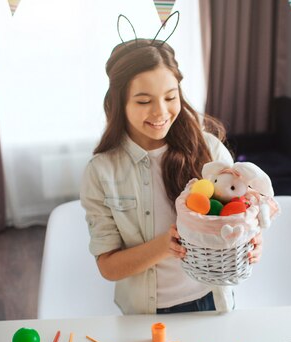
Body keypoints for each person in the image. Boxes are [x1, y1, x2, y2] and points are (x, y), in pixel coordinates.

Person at [80, 38, 262, 315]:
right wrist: (165, 245)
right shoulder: (101, 171)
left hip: (213, 301)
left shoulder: (210, 150)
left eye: (170, 97)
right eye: (143, 101)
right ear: (119, 103)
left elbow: (240, 214)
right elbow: (108, 266)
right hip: (146, 313)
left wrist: (252, 240)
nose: (161, 112)